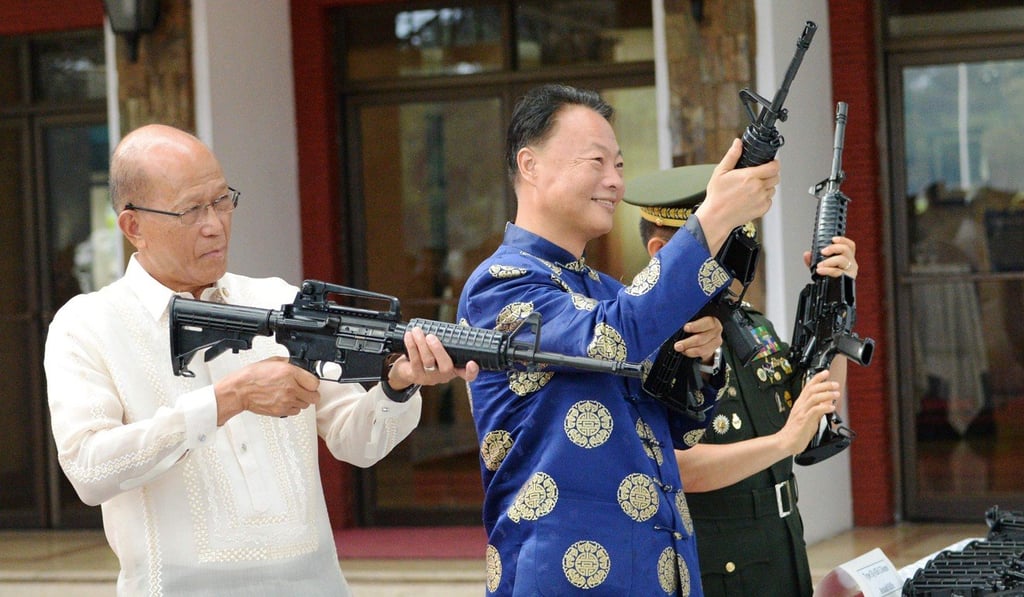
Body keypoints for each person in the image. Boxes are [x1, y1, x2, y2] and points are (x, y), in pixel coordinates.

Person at [43, 124, 479, 596]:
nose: (215, 223)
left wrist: (399, 383)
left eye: (221, 200)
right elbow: (89, 470)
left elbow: (360, 443)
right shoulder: (87, 323)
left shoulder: (275, 300)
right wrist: (230, 398)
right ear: (133, 227)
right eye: (191, 209)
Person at [456, 83, 780, 596]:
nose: (615, 181)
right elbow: (611, 338)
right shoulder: (500, 285)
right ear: (530, 164)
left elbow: (682, 430)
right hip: (563, 575)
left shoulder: (608, 292)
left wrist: (703, 357)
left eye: (620, 165)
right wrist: (713, 217)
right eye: (597, 161)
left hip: (659, 567)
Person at [624, 163, 857, 597]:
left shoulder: (752, 326)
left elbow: (810, 422)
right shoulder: (647, 342)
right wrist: (781, 443)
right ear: (661, 252)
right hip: (717, 560)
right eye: (719, 244)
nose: (738, 260)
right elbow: (677, 467)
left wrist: (835, 307)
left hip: (781, 545)